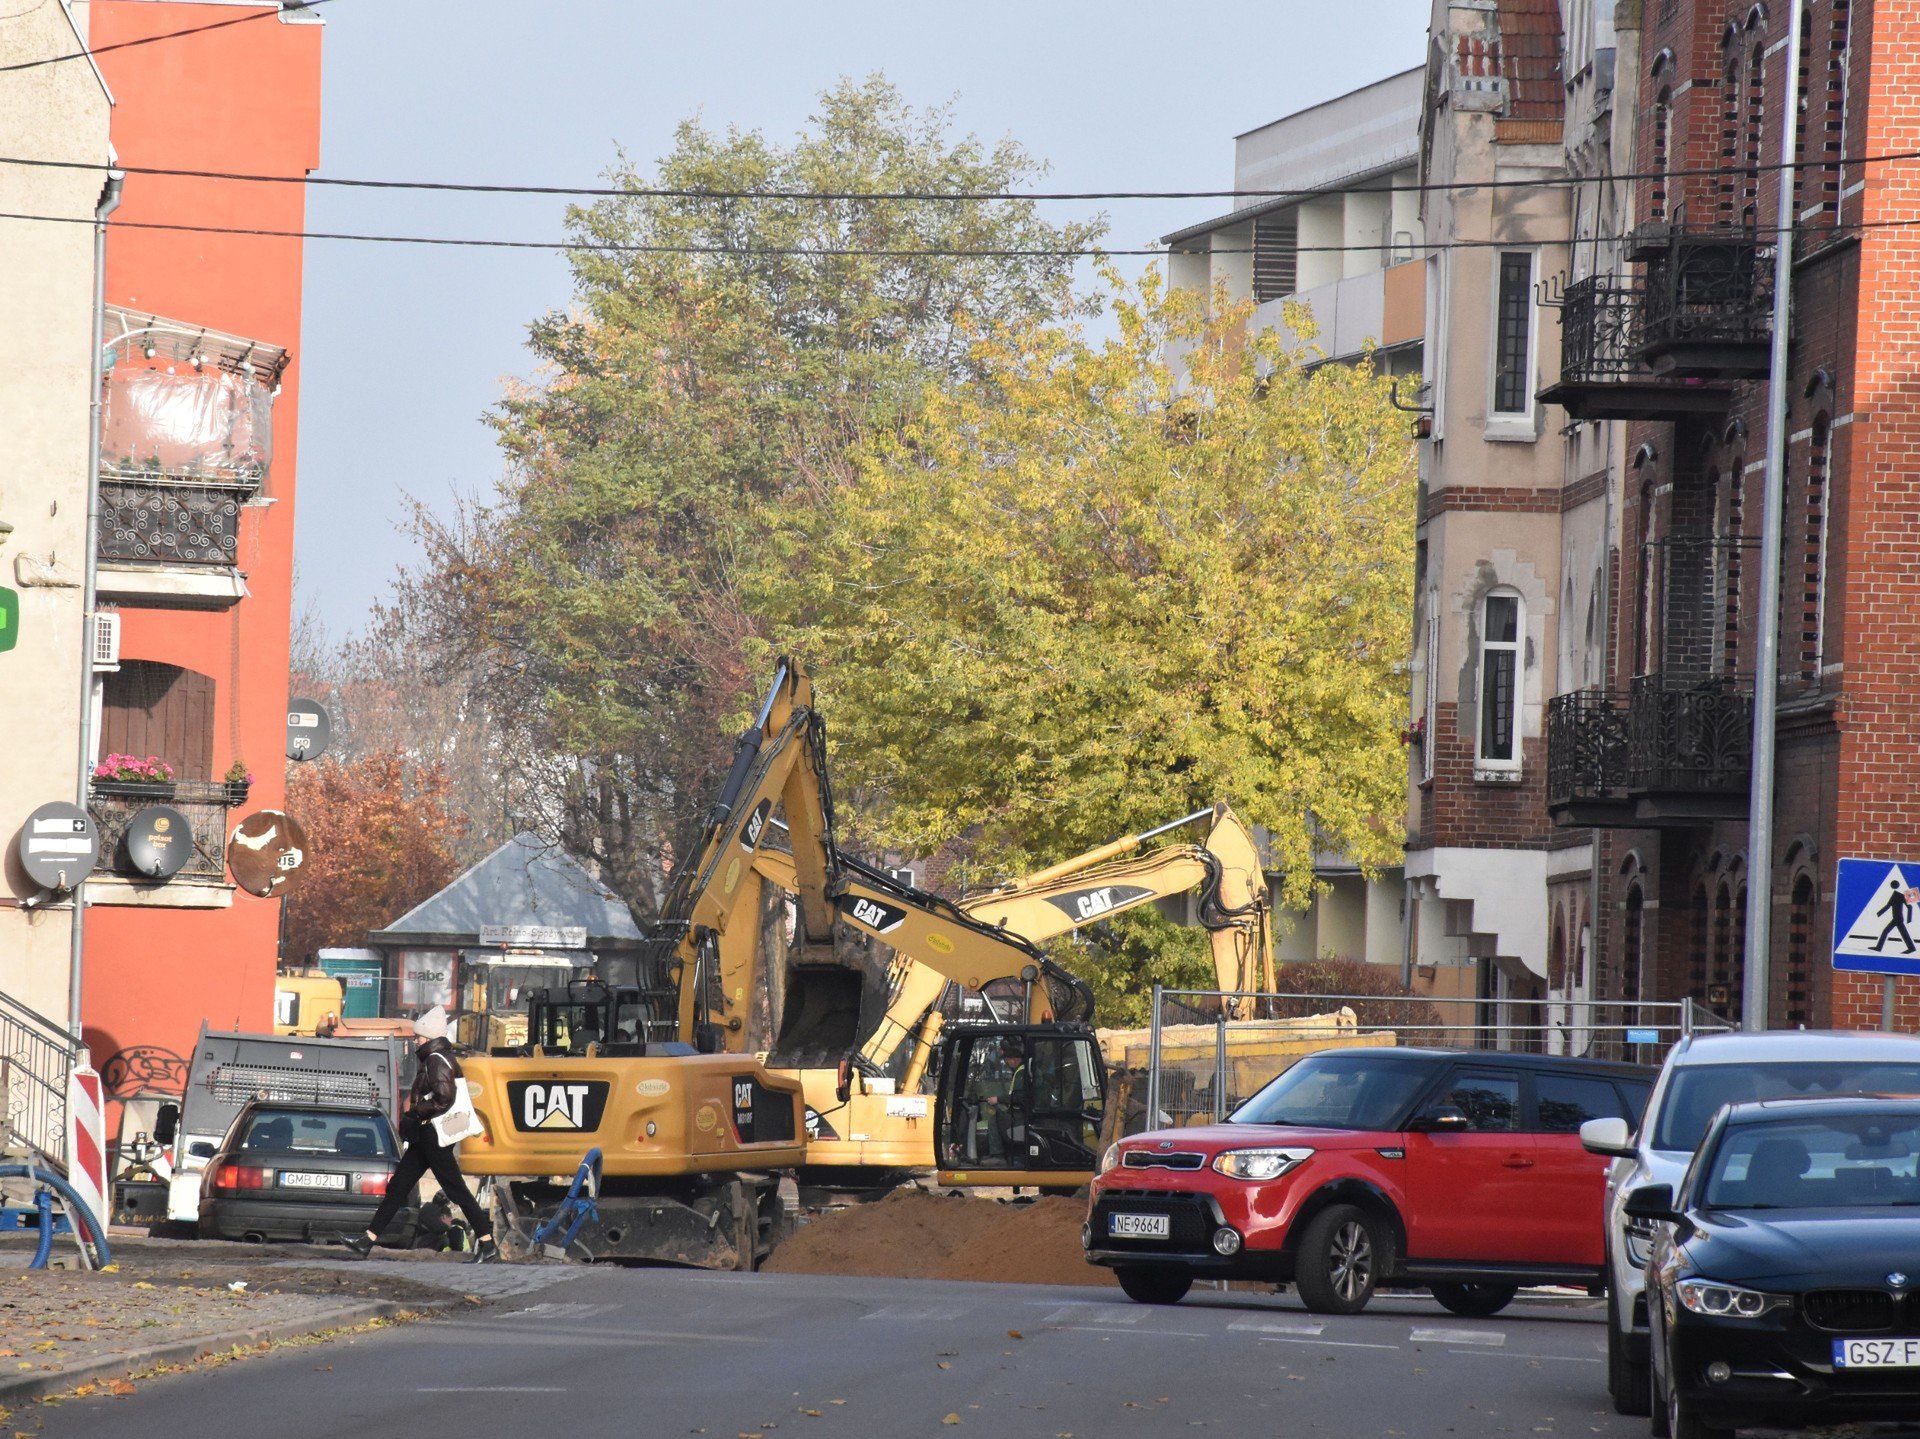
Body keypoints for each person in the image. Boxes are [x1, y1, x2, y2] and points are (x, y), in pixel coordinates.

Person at [343, 1006, 498, 1263]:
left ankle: (487, 1242)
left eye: (418, 1037)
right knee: (398, 1187)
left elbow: (444, 1097)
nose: (416, 1040)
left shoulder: (437, 1060)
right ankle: (366, 1241)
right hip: (425, 1136)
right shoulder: (436, 1058)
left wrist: (416, 1110)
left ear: (428, 1037)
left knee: (456, 1189)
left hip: (433, 1135)